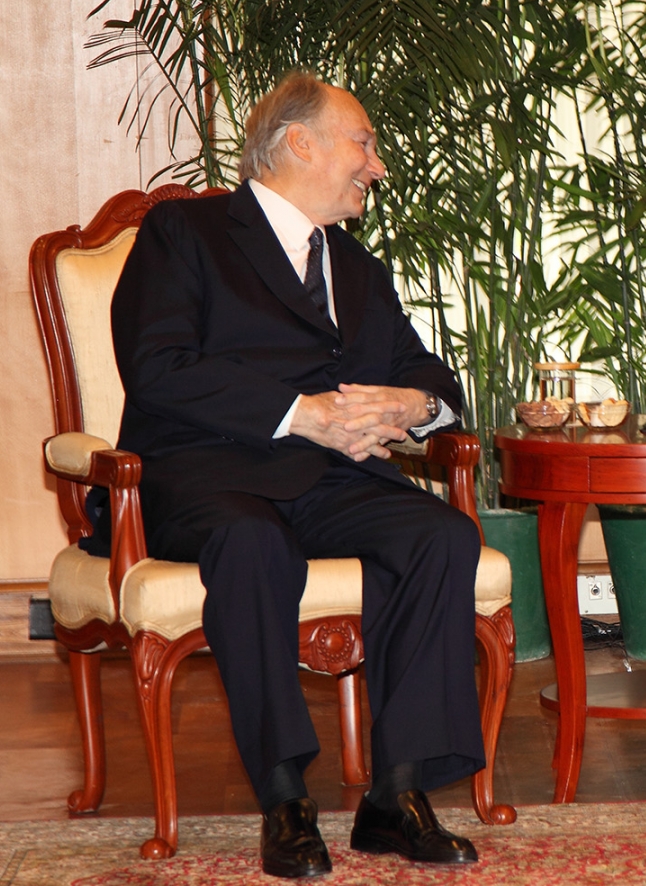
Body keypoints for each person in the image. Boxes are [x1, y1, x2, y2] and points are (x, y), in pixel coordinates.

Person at [106, 72, 485, 877]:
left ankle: (398, 795)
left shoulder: (356, 266)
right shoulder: (187, 233)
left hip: (336, 484)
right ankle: (285, 800)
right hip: (213, 478)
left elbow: (434, 380)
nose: (377, 166)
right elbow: (158, 368)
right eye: (365, 143)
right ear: (300, 142)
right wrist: (302, 412)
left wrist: (411, 405)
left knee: (441, 537)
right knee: (252, 542)